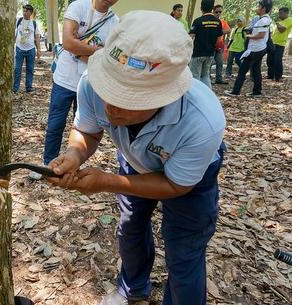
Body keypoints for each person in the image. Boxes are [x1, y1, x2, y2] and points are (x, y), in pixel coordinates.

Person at [47, 11, 226, 305]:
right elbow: (87, 131)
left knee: (184, 253)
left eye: (127, 101)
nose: (110, 108)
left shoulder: (202, 120)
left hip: (188, 181)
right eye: (109, 91)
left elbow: (176, 186)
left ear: (165, 96)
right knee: (130, 231)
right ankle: (132, 288)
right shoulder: (91, 83)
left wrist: (107, 182)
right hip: (132, 160)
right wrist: (74, 154)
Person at [29, 0, 119, 180]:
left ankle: (74, 165)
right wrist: (96, 51)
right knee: (55, 124)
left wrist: (81, 49)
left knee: (84, 129)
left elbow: (110, 55)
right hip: (64, 79)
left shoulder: (114, 22)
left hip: (90, 83)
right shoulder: (79, 6)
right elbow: (69, 43)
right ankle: (49, 162)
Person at [226, 0, 273, 98]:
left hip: (255, 50)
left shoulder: (263, 20)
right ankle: (257, 92)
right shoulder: (264, 19)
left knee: (242, 71)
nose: (257, 7)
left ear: (263, 8)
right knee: (256, 70)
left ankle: (235, 91)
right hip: (259, 48)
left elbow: (261, 35)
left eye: (259, 6)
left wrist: (249, 36)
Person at [189, 0, 223, 89]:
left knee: (195, 77)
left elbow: (190, 37)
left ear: (201, 8)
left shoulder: (198, 21)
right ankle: (208, 96)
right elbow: (219, 39)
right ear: (212, 9)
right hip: (210, 53)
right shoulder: (218, 22)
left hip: (198, 53)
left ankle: (196, 98)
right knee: (205, 76)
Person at [13, 4, 41, 93]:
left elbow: (37, 37)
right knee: (17, 69)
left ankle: (28, 88)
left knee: (30, 69)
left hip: (31, 49)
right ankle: (15, 88)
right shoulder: (19, 20)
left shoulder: (34, 23)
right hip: (19, 49)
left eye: (27, 11)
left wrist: (39, 50)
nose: (24, 13)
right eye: (24, 11)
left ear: (31, 13)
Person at [267, 7, 292, 81]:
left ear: (286, 13)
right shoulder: (281, 21)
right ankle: (270, 76)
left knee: (277, 61)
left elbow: (281, 30)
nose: (279, 15)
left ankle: (278, 77)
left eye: (281, 13)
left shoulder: (289, 19)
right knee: (269, 60)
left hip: (280, 44)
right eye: (279, 13)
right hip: (273, 43)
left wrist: (277, 23)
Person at [212, 5, 230, 84]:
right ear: (213, 11)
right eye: (217, 12)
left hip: (220, 45)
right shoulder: (211, 21)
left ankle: (218, 78)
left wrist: (219, 31)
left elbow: (228, 30)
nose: (218, 13)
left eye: (220, 12)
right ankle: (207, 77)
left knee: (220, 62)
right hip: (211, 45)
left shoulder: (223, 22)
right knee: (209, 62)